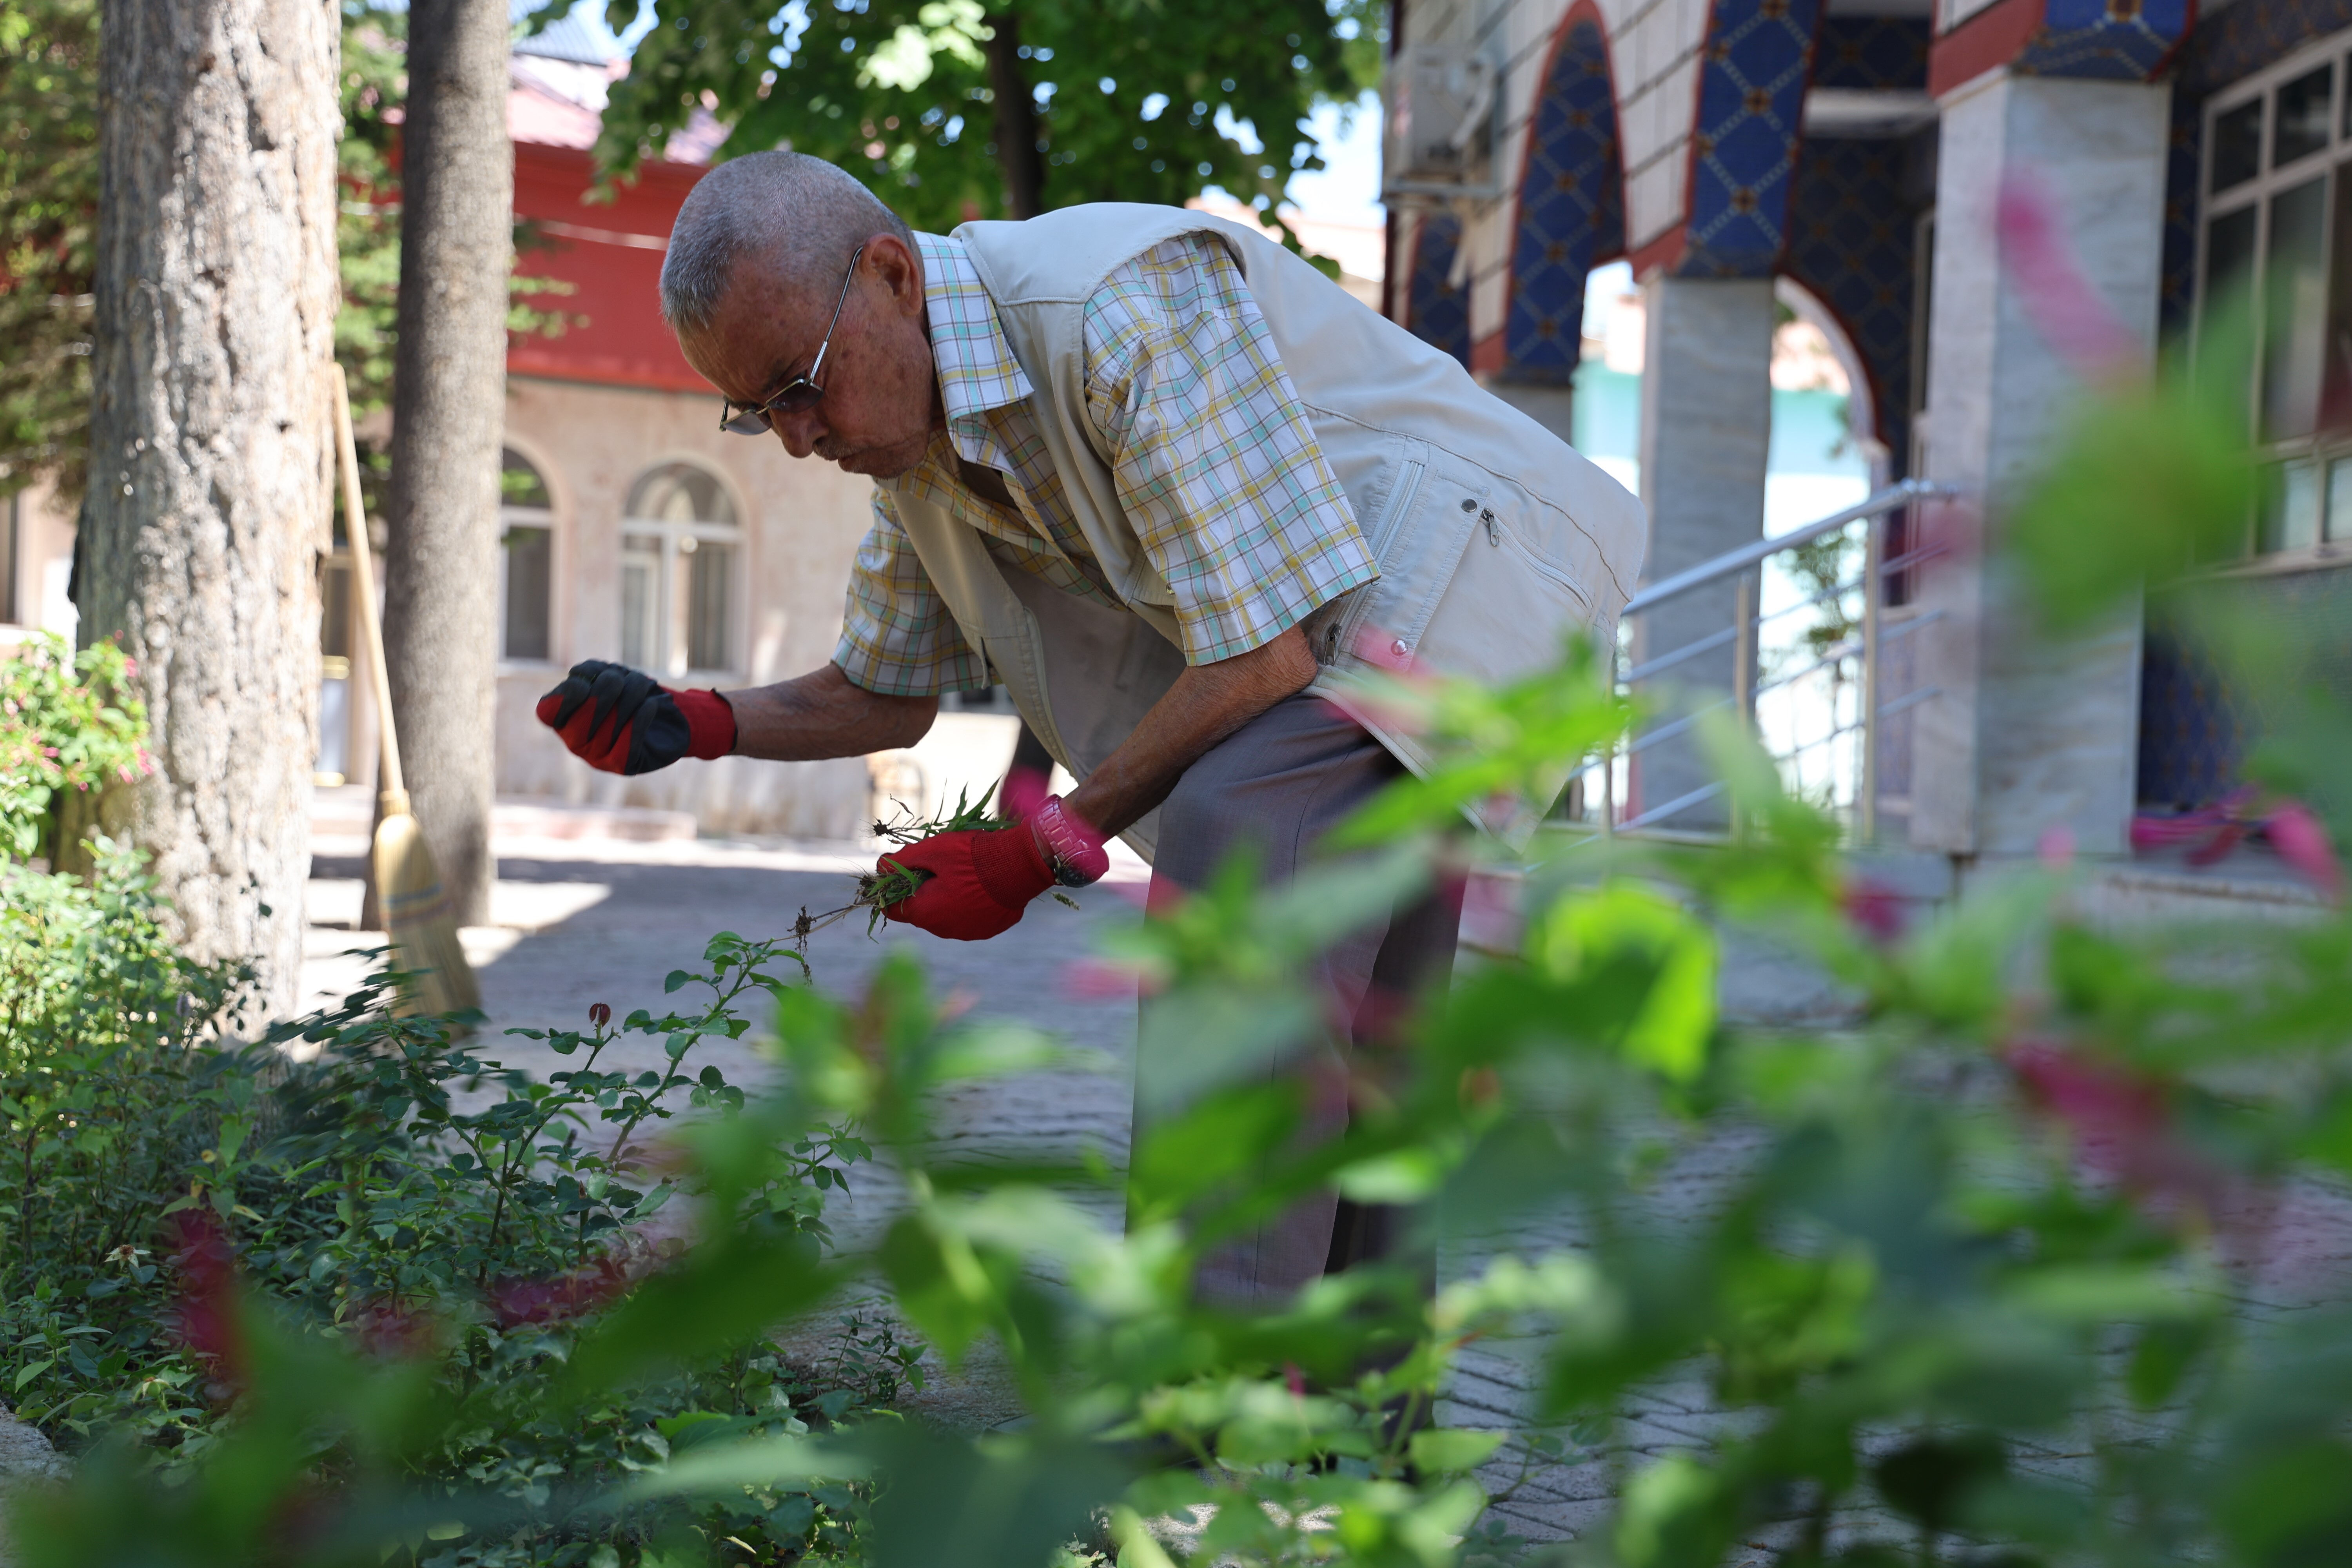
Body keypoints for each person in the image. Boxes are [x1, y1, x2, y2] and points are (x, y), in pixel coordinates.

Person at [536, 152, 1644, 1303]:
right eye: (758, 413)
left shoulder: (1120, 306)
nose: (799, 439)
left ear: (892, 277)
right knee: (1372, 1047)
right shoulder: (915, 447)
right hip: (1355, 622)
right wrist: (697, 719)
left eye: (800, 387)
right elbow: (883, 687)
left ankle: (1207, 1422)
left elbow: (1265, 648)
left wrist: (1041, 847)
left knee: (1245, 842)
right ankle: (1371, 1439)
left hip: (1479, 561)